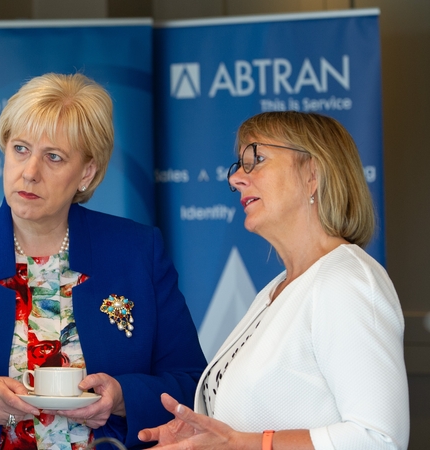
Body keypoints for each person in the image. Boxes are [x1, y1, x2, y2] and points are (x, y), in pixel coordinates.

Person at [0, 73, 207, 449]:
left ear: (86, 173)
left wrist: (123, 397)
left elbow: (191, 384)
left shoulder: (137, 251)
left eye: (53, 157)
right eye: (20, 149)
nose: (30, 172)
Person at [138, 111, 410, 450]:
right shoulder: (277, 290)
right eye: (238, 165)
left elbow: (379, 439)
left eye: (257, 160)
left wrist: (248, 443)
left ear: (313, 174)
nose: (236, 178)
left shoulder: (346, 280)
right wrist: (205, 438)